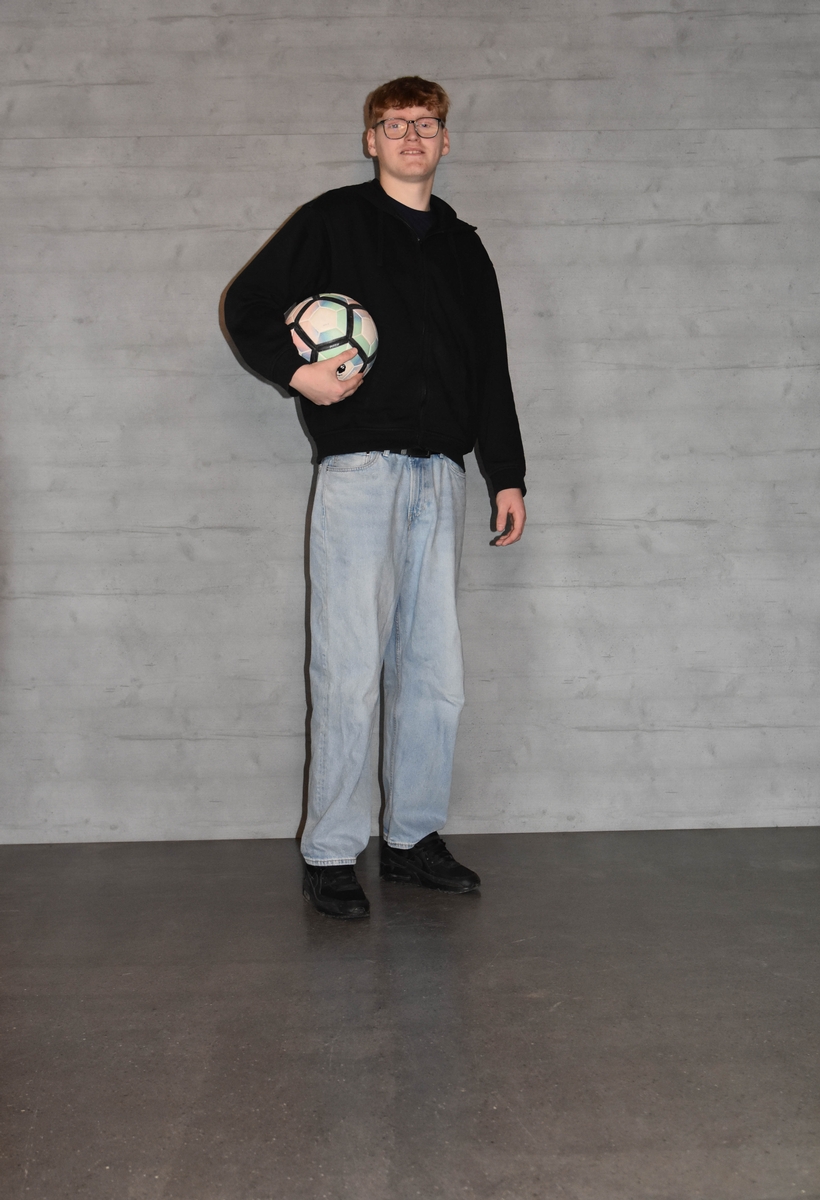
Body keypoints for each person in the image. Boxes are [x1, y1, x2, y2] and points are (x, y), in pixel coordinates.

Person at [223, 76, 526, 919]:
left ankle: (412, 840)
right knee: (349, 670)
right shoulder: (333, 221)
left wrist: (506, 473)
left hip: (442, 477)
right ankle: (330, 853)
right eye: (394, 124)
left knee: (435, 675)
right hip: (359, 473)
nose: (411, 136)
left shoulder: (465, 248)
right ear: (371, 140)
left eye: (425, 123)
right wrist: (299, 376)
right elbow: (247, 306)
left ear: (445, 140)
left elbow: (490, 367)